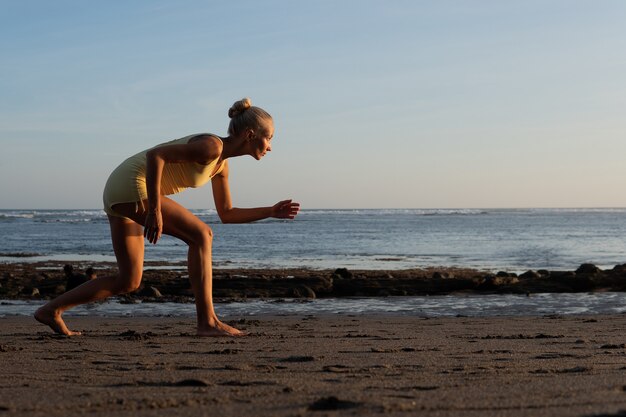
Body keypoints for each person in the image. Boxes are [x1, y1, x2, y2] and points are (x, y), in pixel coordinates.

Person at [35, 98, 300, 336]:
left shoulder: (221, 165)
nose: (270, 147)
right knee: (201, 235)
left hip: (118, 190)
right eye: (270, 138)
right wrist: (154, 211)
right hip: (131, 184)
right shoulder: (211, 147)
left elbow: (226, 213)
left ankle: (51, 310)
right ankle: (207, 322)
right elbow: (156, 156)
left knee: (128, 281)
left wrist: (270, 211)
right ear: (250, 134)